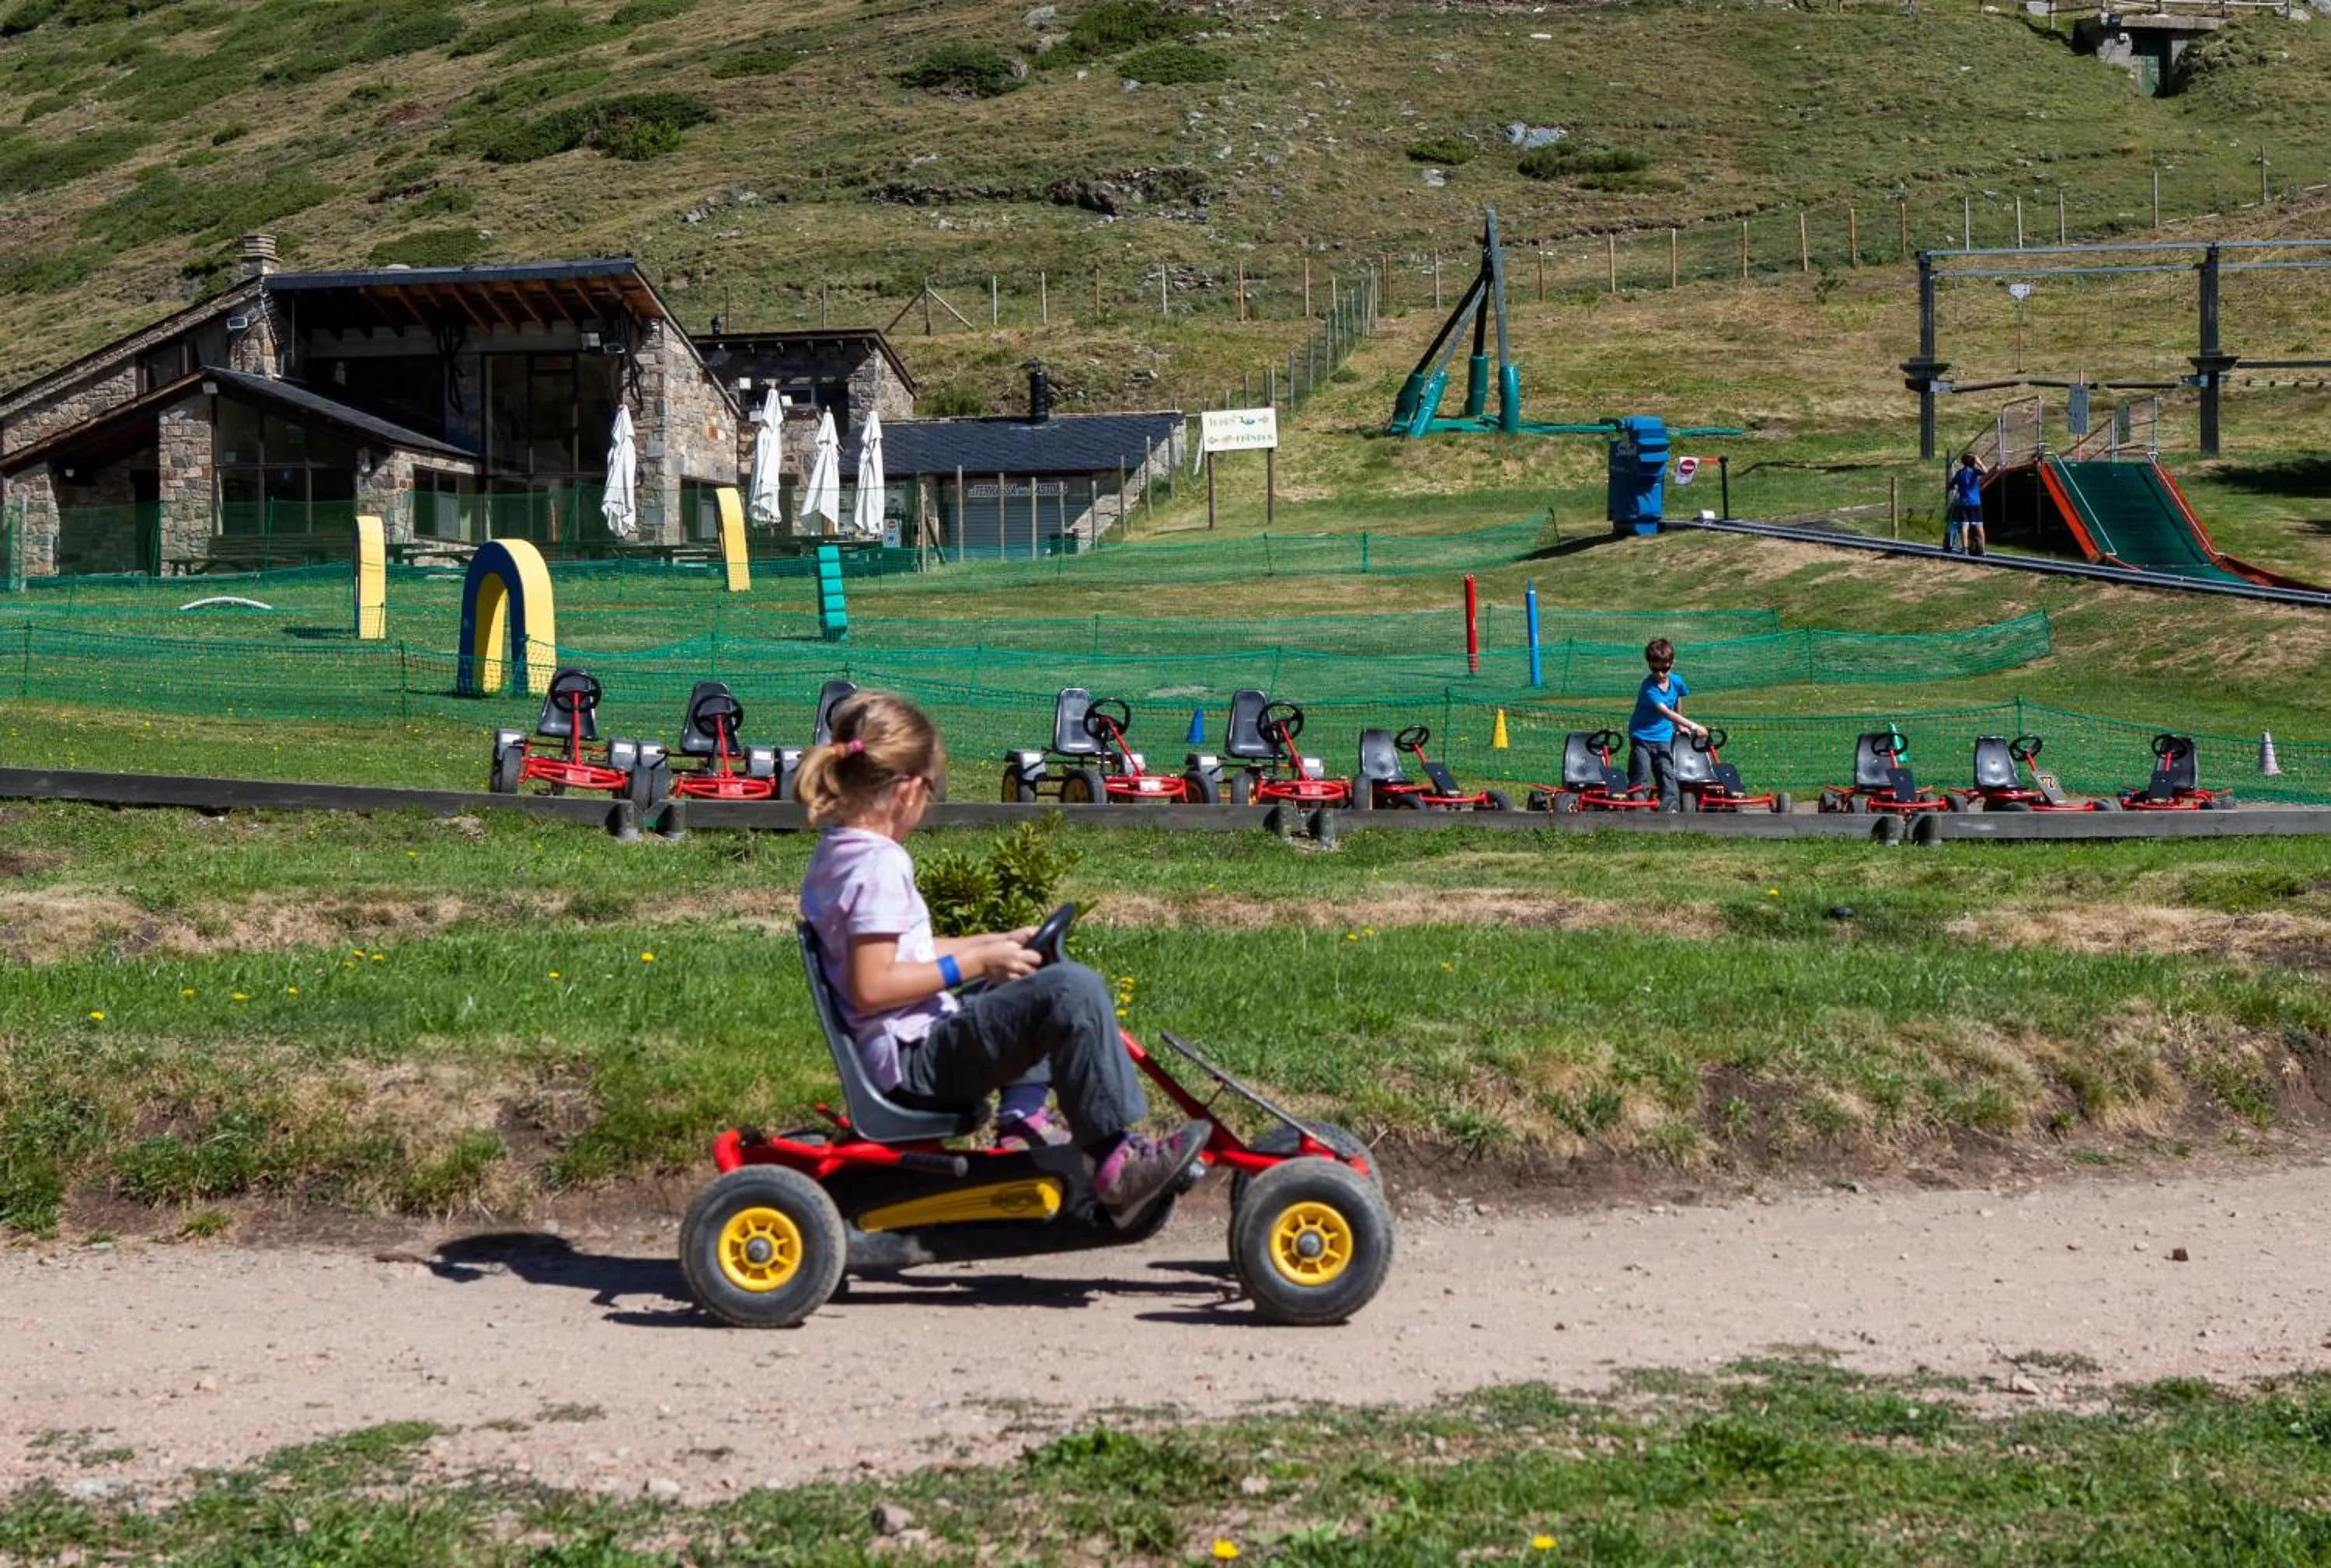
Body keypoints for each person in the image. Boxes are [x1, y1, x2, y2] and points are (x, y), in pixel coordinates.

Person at [795, 690, 1208, 1225]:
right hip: (913, 1066)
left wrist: (994, 943)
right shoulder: (877, 867)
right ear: (907, 790)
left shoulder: (843, 851)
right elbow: (873, 985)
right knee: (1072, 989)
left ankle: (1024, 1119)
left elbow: (904, 955)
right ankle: (1113, 1161)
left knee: (1034, 969)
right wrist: (976, 966)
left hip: (906, 1050)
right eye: (931, 791)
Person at [1627, 638, 1706, 811]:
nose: (1661, 674)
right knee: (1642, 769)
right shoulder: (1648, 688)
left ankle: (1671, 804)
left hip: (1663, 735)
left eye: (1665, 669)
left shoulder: (1676, 681)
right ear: (1649, 665)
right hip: (1642, 735)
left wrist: (1680, 723)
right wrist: (1694, 726)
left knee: (1666, 769)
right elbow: (1666, 712)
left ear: (1672, 663)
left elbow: (1676, 698)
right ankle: (1639, 800)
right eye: (1655, 669)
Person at [1946, 453, 1988, 558]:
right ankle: (1982, 549)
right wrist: (1979, 462)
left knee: (1965, 526)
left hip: (1963, 503)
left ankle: (1965, 549)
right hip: (1975, 503)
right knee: (1979, 526)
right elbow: (1986, 472)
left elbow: (1951, 485)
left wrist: (1954, 488)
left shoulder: (1960, 473)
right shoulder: (1974, 472)